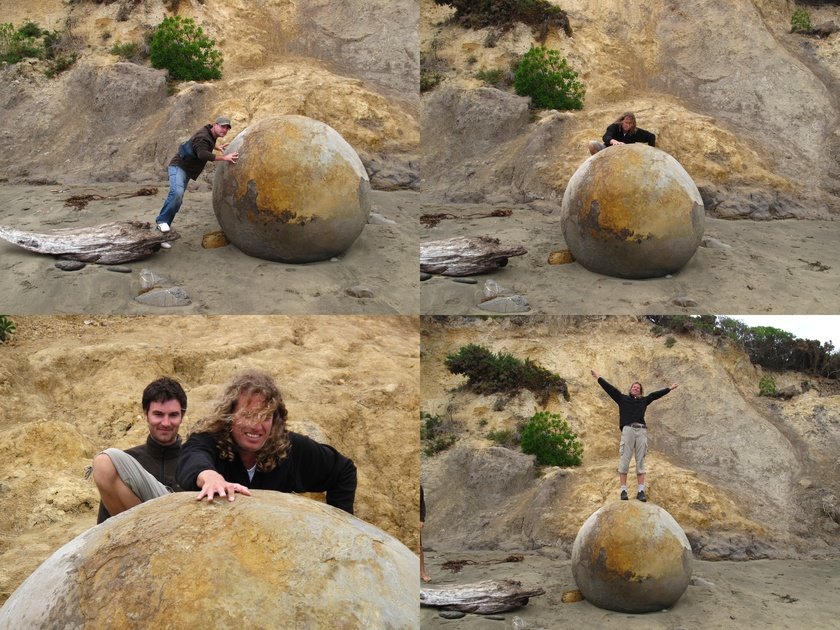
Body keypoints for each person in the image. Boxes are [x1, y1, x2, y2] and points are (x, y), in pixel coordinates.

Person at [176, 369, 357, 514]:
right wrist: (211, 478)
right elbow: (192, 457)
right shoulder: (209, 439)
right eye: (248, 415)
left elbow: (342, 470)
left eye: (265, 417)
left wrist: (341, 521)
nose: (256, 426)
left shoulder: (286, 448)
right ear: (229, 416)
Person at [91, 377, 187, 523]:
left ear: (182, 417)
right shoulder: (125, 465)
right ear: (145, 415)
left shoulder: (194, 462)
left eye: (173, 415)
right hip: (135, 539)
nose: (166, 423)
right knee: (104, 462)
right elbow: (104, 525)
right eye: (158, 414)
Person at [590, 369, 678, 502]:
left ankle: (640, 491)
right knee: (625, 460)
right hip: (628, 430)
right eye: (634, 387)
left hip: (641, 431)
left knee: (640, 461)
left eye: (638, 388)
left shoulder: (644, 401)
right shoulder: (622, 398)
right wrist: (598, 377)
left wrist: (670, 388)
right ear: (630, 389)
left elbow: (655, 395)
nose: (636, 388)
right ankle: (623, 490)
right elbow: (610, 389)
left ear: (640, 391)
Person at [154, 116, 240, 248]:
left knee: (178, 199)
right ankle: (161, 221)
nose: (225, 130)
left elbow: (202, 144)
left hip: (187, 170)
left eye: (227, 128)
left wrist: (217, 147)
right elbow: (202, 154)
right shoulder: (203, 136)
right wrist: (224, 157)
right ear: (214, 125)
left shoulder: (209, 134)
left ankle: (160, 235)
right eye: (222, 127)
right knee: (176, 194)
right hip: (178, 167)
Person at [588, 112, 656, 155]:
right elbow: (606, 136)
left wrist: (651, 154)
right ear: (621, 121)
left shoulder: (634, 131)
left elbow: (651, 137)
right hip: (608, 151)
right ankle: (599, 165)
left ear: (633, 124)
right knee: (592, 144)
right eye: (626, 122)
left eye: (630, 123)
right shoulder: (614, 126)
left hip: (624, 156)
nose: (628, 125)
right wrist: (613, 141)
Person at [420, 485, 431, 583]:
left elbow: (422, 504)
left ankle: (423, 573)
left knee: (419, 548)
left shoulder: (419, 487)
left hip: (415, 520)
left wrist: (421, 519)